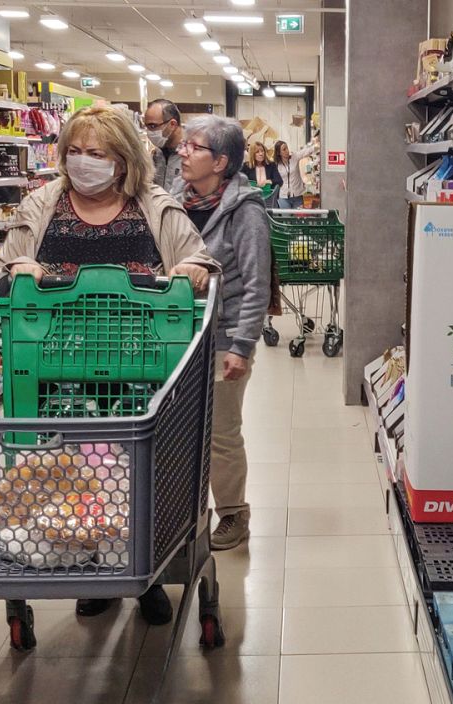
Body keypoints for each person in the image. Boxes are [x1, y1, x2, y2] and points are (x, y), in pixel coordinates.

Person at [0, 105, 217, 620]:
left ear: (122, 160)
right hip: (56, 375)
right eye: (74, 151)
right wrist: (16, 268)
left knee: (144, 471)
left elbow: (201, 260)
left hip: (143, 370)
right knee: (73, 479)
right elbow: (0, 274)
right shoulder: (42, 205)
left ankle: (148, 572)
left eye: (95, 153)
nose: (81, 162)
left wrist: (193, 268)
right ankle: (92, 569)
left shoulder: (156, 207)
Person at [174, 117, 271, 551]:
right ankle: (180, 512)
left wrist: (242, 346)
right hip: (174, 337)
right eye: (184, 146)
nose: (183, 153)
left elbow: (256, 283)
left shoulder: (245, 212)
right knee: (175, 429)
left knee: (221, 432)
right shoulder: (172, 202)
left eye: (193, 147)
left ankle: (233, 514)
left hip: (223, 338)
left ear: (221, 162)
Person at [143, 98, 185, 192]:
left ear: (172, 124)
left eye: (153, 126)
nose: (149, 132)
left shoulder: (190, 156)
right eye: (147, 127)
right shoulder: (155, 156)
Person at [274, 139, 319, 209]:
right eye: (284, 149)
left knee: (298, 218)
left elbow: (306, 152)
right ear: (278, 153)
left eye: (287, 148)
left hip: (298, 195)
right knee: (286, 218)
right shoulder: (276, 164)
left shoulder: (294, 157)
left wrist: (317, 146)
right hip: (283, 197)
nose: (287, 151)